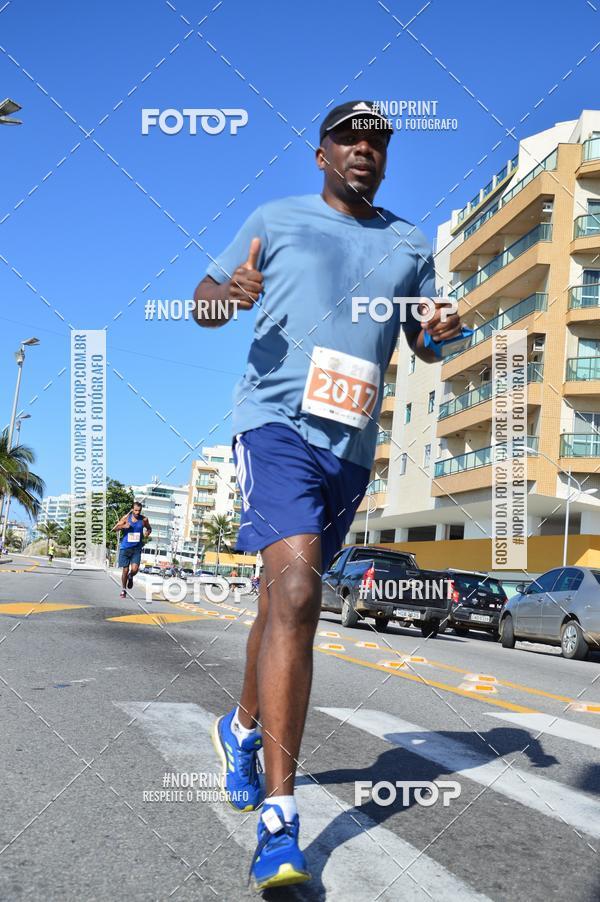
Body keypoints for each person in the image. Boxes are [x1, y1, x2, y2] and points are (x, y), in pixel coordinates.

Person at [193, 100, 462, 890]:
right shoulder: (275, 220)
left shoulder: (411, 243)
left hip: (351, 449)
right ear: (321, 154)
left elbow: (424, 340)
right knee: (300, 591)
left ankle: (241, 728)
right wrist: (228, 294)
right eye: (349, 138)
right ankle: (281, 826)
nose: (364, 150)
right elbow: (207, 299)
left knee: (285, 603)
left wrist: (443, 329)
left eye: (377, 141)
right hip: (274, 427)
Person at [112, 502, 152, 599]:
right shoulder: (126, 518)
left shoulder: (144, 519)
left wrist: (147, 532)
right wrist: (123, 526)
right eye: (135, 510)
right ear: (132, 509)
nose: (137, 512)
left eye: (139, 510)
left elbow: (149, 528)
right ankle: (123, 590)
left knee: (134, 569)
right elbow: (114, 529)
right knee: (125, 570)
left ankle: (131, 576)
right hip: (125, 548)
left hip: (136, 549)